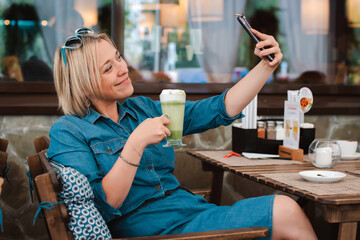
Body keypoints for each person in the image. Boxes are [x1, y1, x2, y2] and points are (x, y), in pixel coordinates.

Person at [46, 27, 317, 240]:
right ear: (83, 85)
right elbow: (104, 206)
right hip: (158, 231)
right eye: (108, 67)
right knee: (285, 210)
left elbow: (217, 109)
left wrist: (266, 67)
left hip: (190, 213)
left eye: (118, 57)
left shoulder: (141, 108)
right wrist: (136, 143)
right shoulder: (69, 131)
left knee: (286, 210)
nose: (123, 68)